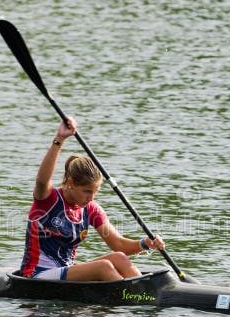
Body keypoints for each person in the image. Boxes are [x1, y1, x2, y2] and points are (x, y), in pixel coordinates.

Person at [20, 117, 164, 281]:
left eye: (95, 192)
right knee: (104, 267)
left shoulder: (90, 209)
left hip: (65, 272)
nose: (91, 198)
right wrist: (60, 139)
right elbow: (42, 180)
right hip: (37, 275)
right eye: (87, 191)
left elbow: (118, 244)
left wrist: (146, 243)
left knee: (119, 258)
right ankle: (132, 299)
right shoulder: (48, 200)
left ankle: (143, 295)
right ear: (71, 183)